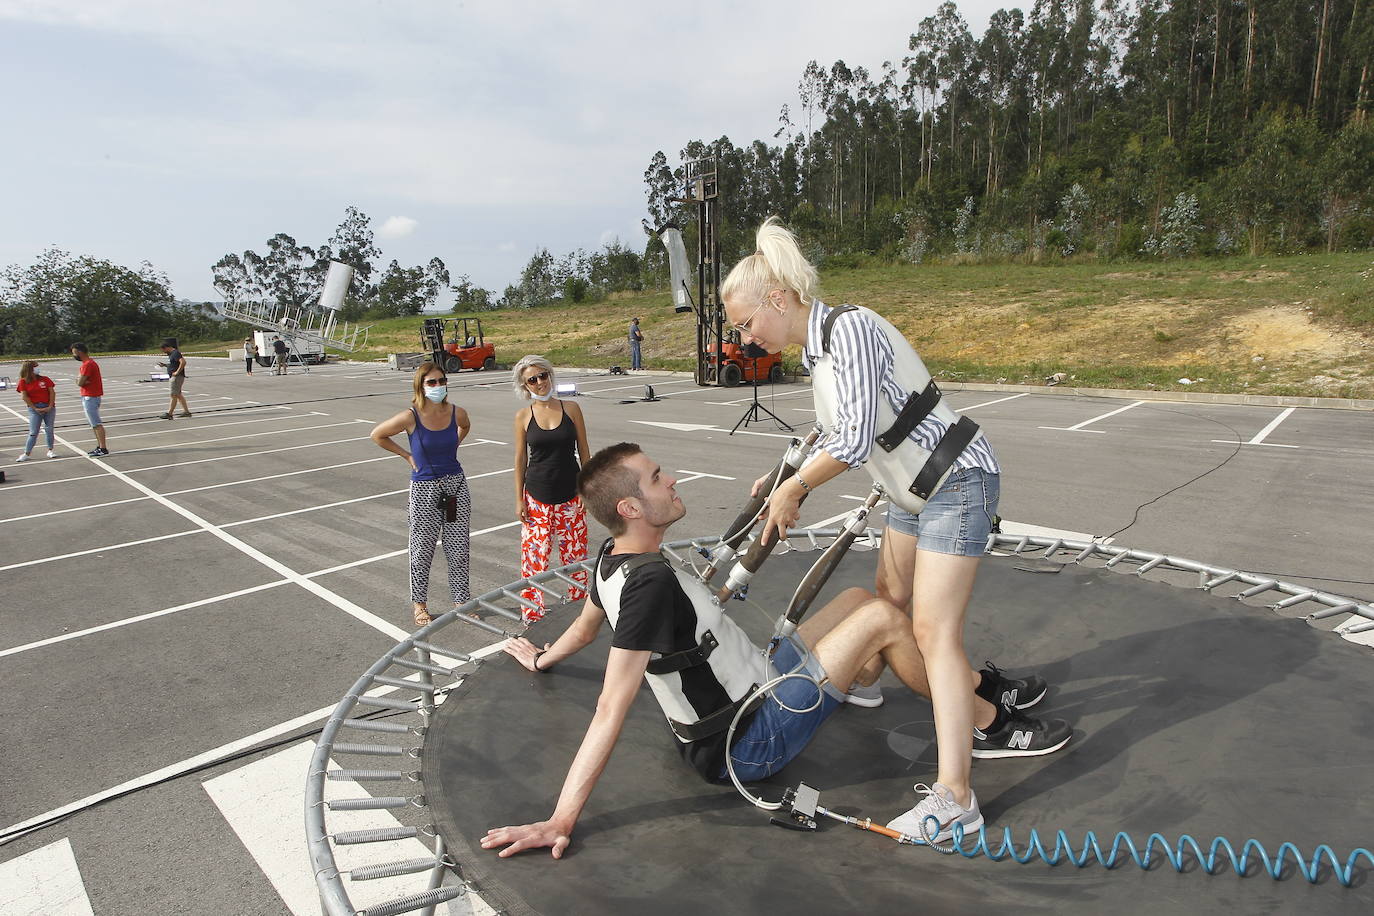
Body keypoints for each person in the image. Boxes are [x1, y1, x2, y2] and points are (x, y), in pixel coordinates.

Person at [480, 443, 1057, 859]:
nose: (672, 480)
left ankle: (961, 686)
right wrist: (560, 819)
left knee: (859, 596)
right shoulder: (647, 586)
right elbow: (610, 708)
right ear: (630, 507)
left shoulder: (614, 558)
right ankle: (985, 721)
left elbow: (584, 627)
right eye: (657, 478)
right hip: (750, 738)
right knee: (884, 617)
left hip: (758, 678)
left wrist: (543, 656)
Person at [720, 217, 1070, 840]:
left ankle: (959, 791)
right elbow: (837, 428)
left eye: (746, 323)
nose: (746, 337)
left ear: (777, 301)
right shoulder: (816, 352)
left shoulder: (849, 330)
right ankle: (888, 681)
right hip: (912, 490)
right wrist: (781, 475)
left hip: (955, 481)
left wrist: (796, 490)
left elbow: (853, 441)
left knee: (935, 633)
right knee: (890, 603)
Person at [370, 362, 473, 627]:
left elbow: (465, 427)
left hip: (456, 487)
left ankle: (462, 600)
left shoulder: (456, 412)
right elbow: (378, 434)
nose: (438, 386)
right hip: (425, 488)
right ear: (421, 386)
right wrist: (406, 455)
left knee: (458, 548)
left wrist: (453, 448)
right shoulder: (411, 416)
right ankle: (420, 604)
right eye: (431, 382)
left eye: (441, 381)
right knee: (421, 550)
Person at [512, 356, 592, 624]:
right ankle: (532, 615)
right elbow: (520, 459)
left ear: (550, 375)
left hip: (571, 495)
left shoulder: (571, 408)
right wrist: (519, 499)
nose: (539, 383)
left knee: (576, 557)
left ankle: (580, 610)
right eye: (532, 380)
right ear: (525, 387)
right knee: (535, 561)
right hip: (536, 497)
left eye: (542, 376)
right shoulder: (523, 416)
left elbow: (584, 450)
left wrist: (586, 488)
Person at [70, 343, 109, 457]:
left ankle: (103, 448)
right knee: (93, 424)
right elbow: (81, 381)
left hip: (90, 396)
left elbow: (80, 382)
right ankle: (100, 446)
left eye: (74, 353)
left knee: (96, 423)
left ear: (80, 352)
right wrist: (80, 380)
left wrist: (79, 380)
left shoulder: (88, 364)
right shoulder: (88, 363)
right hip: (89, 396)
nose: (73, 355)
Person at [15, 360, 57, 461]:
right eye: (35, 366)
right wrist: (35, 408)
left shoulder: (45, 379)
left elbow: (52, 393)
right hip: (34, 409)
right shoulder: (23, 381)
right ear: (30, 369)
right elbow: (24, 397)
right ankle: (27, 453)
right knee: (33, 432)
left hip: (49, 407)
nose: (38, 368)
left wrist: (50, 406)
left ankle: (50, 450)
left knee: (49, 429)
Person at [159, 338, 191, 419]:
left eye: (164, 350)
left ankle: (169, 414)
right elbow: (173, 364)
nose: (164, 352)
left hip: (176, 377)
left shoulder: (175, 353)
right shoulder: (171, 354)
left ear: (167, 347)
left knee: (173, 395)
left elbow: (183, 362)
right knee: (178, 395)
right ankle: (186, 412)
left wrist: (177, 372)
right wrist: (165, 365)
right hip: (175, 377)